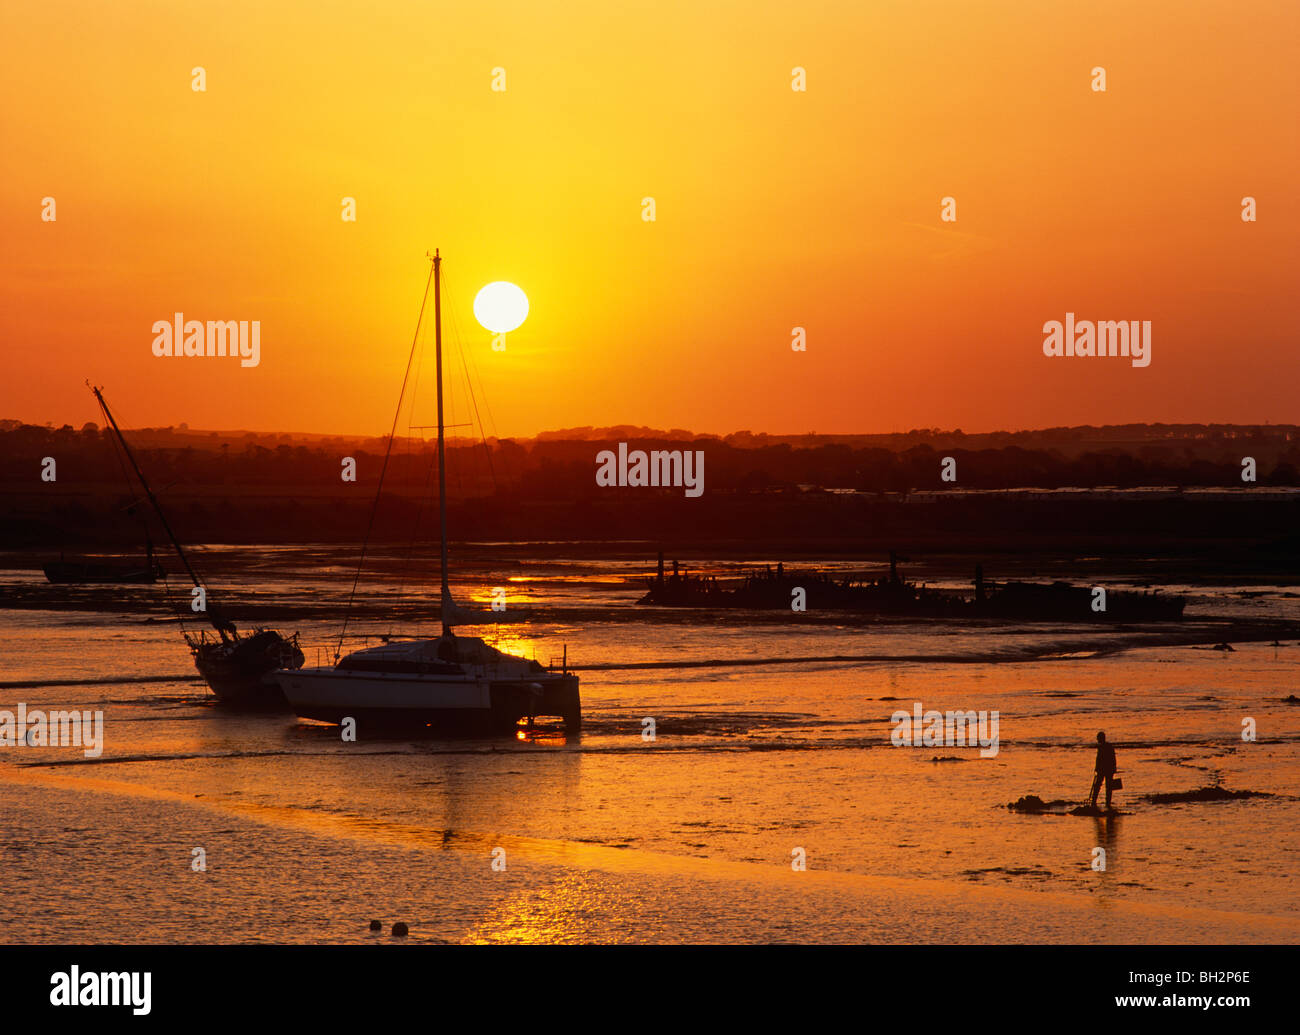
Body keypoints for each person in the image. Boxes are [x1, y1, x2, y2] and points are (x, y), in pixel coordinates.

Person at [1089, 731, 1118, 809]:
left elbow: (1100, 759)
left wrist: (1097, 768)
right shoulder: (1108, 746)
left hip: (1103, 769)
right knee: (1107, 786)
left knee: (1098, 785)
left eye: (1098, 738)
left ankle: (1094, 801)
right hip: (1108, 769)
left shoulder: (1102, 747)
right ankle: (1106, 802)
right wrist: (1114, 767)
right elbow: (1113, 758)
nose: (1097, 740)